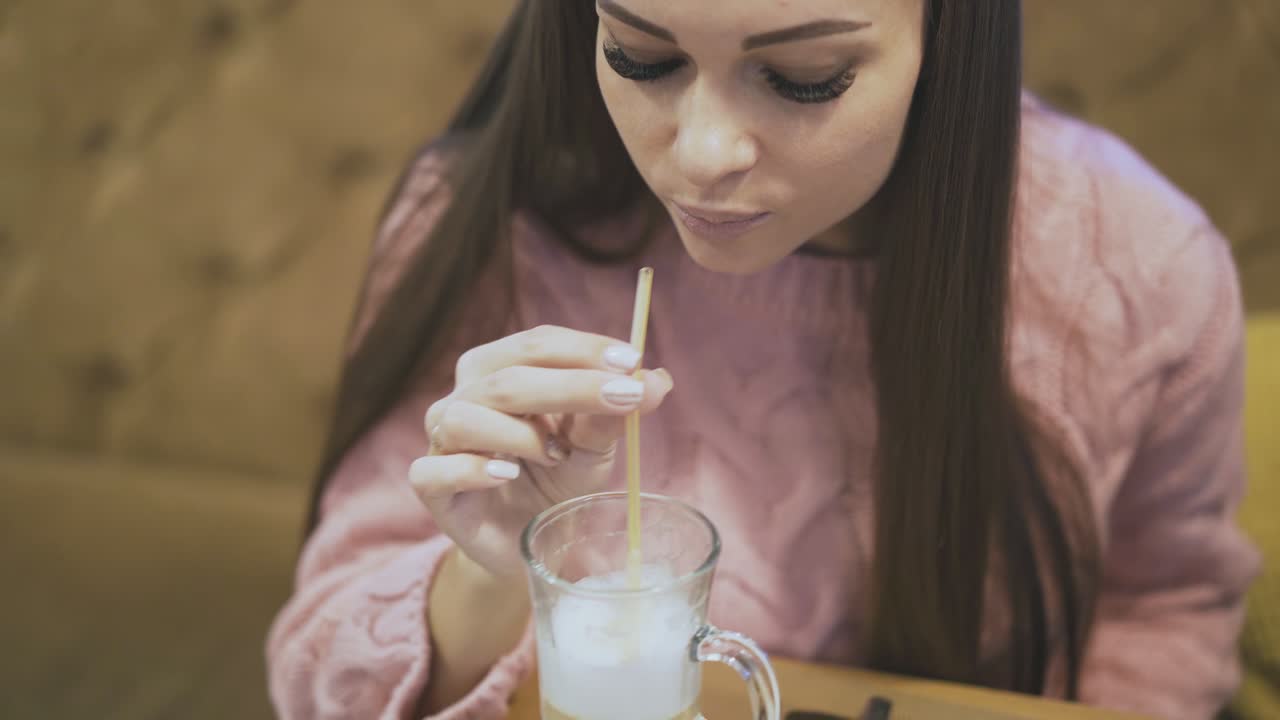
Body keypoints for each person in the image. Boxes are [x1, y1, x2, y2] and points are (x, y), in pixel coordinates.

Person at [266, 1, 1260, 718]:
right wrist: (491, 566)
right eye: (639, 54)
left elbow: (1164, 604)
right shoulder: (486, 215)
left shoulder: (1135, 264)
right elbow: (317, 682)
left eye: (801, 77)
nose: (700, 155)